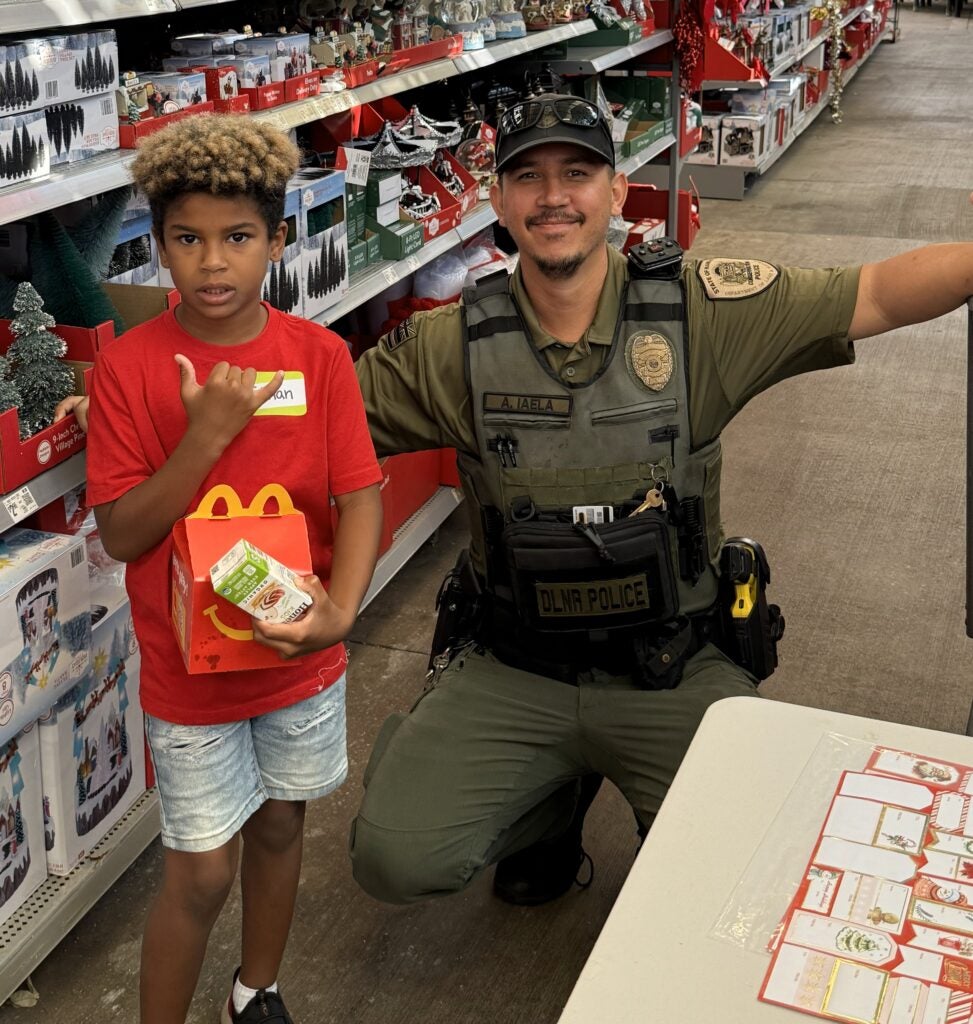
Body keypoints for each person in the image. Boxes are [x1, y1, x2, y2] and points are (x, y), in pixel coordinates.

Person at [345, 94, 973, 908]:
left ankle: (647, 792)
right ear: (495, 201)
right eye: (526, 178)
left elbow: (879, 294)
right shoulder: (446, 345)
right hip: (515, 666)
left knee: (763, 862)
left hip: (670, 666)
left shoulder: (699, 313)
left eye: (577, 172)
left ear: (615, 190)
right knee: (396, 858)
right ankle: (545, 806)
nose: (553, 197)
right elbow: (318, 423)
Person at [72, 116, 384, 1024]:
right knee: (202, 868)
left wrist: (341, 611)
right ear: (157, 245)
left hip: (297, 655)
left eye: (238, 237)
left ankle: (257, 991)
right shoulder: (130, 371)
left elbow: (359, 495)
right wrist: (205, 434)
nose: (214, 262)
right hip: (191, 675)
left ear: (278, 241)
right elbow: (126, 532)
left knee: (283, 821)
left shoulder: (318, 357)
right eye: (188, 239)